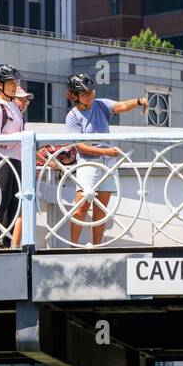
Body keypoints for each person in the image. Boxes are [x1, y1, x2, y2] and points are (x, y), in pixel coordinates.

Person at [63, 73, 150, 246]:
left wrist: (139, 101)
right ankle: (72, 246)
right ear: (74, 96)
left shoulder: (100, 104)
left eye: (91, 91)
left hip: (107, 162)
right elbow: (79, 146)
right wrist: (105, 151)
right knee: (81, 207)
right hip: (88, 163)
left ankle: (97, 247)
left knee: (101, 210)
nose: (90, 95)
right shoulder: (72, 116)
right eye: (85, 93)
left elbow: (121, 106)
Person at [0, 64, 32, 248]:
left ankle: (8, 241)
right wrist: (16, 138)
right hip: (1, 159)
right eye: (9, 82)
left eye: (14, 82)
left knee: (14, 202)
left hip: (17, 159)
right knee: (1, 201)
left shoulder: (14, 107)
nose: (13, 85)